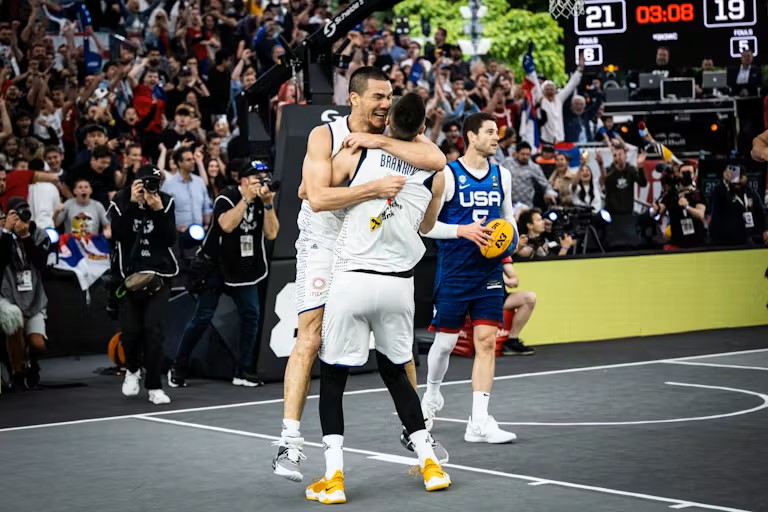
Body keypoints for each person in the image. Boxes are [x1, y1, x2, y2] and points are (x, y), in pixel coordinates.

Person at [272, 66, 446, 482]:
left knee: (399, 351)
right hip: (323, 243)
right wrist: (372, 188)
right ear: (354, 98)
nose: (386, 104)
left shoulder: (390, 133)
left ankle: (414, 429)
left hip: (363, 249)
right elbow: (314, 197)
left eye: (389, 97)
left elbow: (438, 159)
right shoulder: (326, 135)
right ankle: (289, 442)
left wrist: (378, 141)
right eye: (378, 97)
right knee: (310, 336)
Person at [420, 112, 518, 442]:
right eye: (489, 132)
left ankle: (478, 421)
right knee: (445, 344)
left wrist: (509, 249)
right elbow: (426, 227)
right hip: (455, 272)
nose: (496, 137)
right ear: (471, 136)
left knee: (486, 342)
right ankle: (432, 393)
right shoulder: (447, 175)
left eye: (497, 132)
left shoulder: (502, 175)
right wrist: (462, 230)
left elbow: (508, 220)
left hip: (488, 272)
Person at [168, 160, 279, 388]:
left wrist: (268, 204)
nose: (263, 183)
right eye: (258, 179)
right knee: (202, 317)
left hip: (245, 267)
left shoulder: (263, 200)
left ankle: (243, 370)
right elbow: (227, 225)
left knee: (251, 316)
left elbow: (271, 233)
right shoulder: (226, 197)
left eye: (265, 178)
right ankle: (179, 366)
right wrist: (246, 200)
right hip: (215, 266)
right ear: (245, 181)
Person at [107, 164, 178, 404]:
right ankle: (132, 369)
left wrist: (159, 211)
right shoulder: (120, 200)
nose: (150, 188)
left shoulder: (165, 201)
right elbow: (118, 235)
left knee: (153, 331)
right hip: (129, 275)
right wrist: (131, 204)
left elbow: (170, 239)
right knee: (131, 332)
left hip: (159, 274)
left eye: (155, 183)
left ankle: (155, 386)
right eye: (145, 182)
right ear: (135, 182)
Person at [500, 257, 536, 356]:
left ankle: (512, 341)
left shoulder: (501, 255)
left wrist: (504, 279)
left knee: (529, 298)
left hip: (499, 299)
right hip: (477, 299)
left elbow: (514, 282)